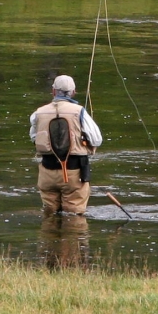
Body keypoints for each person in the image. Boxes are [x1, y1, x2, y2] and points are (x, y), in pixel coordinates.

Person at [29, 75, 103, 214]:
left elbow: (34, 137)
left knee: (49, 214)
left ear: (53, 91)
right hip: (74, 172)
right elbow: (96, 139)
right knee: (74, 216)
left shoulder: (38, 113)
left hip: (47, 172)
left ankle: (49, 234)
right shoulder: (79, 111)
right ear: (73, 92)